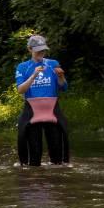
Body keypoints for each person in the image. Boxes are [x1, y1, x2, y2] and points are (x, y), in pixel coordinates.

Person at [13, 34, 71, 166]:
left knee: (57, 159)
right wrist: (34, 75)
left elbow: (64, 87)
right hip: (33, 113)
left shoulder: (53, 64)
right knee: (34, 158)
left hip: (52, 112)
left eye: (43, 50)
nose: (41, 52)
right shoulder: (23, 67)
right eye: (38, 50)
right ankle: (34, 179)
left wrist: (61, 77)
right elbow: (20, 90)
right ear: (29, 49)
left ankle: (55, 180)